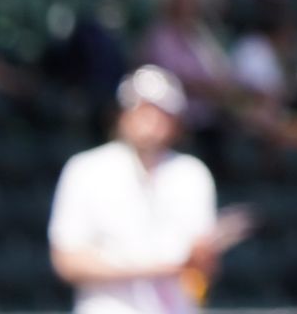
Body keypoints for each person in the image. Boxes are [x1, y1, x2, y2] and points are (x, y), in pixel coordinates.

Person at [48, 66, 253, 314]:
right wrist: (157, 264)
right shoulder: (86, 169)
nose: (150, 119)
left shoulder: (191, 173)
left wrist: (202, 256)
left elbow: (203, 267)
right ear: (122, 114)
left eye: (160, 111)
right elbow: (67, 262)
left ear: (176, 121)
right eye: (141, 108)